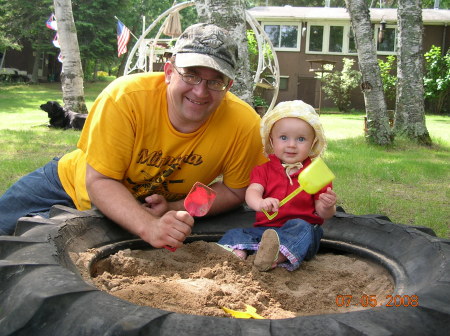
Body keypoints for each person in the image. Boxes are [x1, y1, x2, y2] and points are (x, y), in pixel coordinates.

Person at [0, 23, 267, 250]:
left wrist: (173, 207)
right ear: (169, 72)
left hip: (151, 208)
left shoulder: (244, 124)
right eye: (191, 75)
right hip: (69, 186)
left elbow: (234, 190)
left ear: (228, 86)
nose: (200, 92)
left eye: (215, 81)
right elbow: (101, 180)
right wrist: (148, 226)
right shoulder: (124, 98)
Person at [218, 100, 337, 271]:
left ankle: (277, 255)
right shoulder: (263, 170)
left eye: (301, 139)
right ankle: (239, 252)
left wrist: (328, 205)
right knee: (237, 232)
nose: (291, 145)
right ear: (272, 141)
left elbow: (323, 213)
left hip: (300, 234)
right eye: (283, 138)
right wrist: (260, 203)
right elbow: (252, 192)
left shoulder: (315, 173)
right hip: (266, 230)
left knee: (303, 227)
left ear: (312, 143)